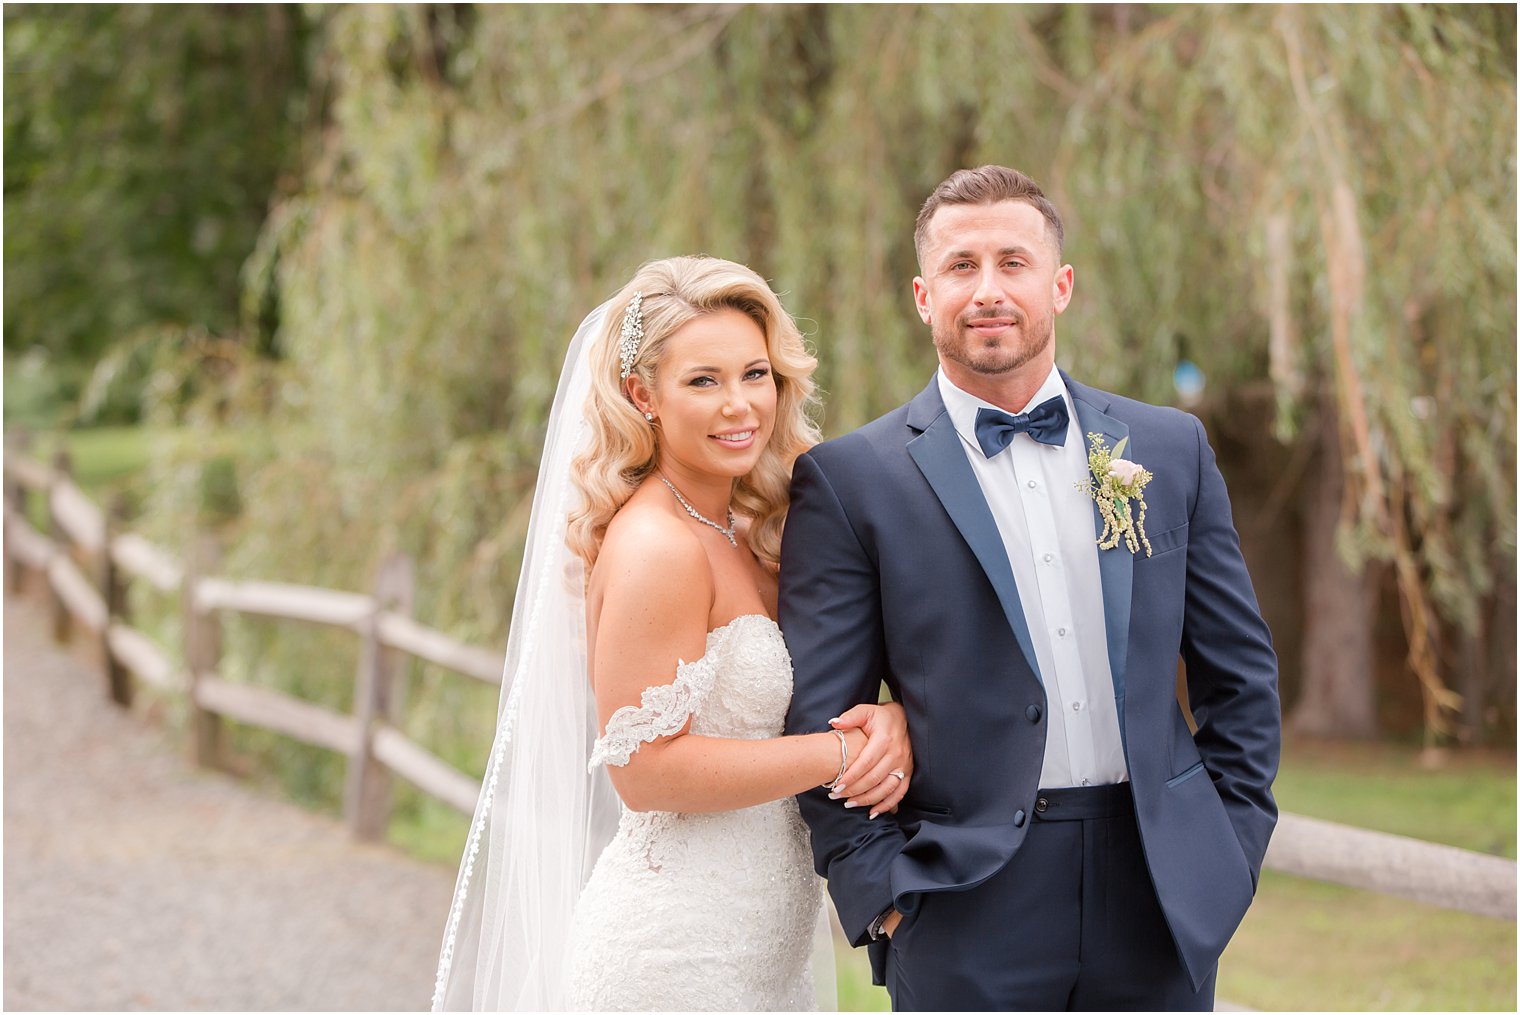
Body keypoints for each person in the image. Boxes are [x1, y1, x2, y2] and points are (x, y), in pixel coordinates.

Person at [780, 166, 1281, 1011]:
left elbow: (1242, 677)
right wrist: (888, 897)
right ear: (922, 294)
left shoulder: (1170, 447)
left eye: (1013, 262)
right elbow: (819, 718)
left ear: (1061, 284)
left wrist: (1224, 853)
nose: (988, 291)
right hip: (962, 900)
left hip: (1158, 884)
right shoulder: (850, 480)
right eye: (960, 266)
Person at [432, 255, 914, 1012]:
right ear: (641, 394)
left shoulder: (751, 526)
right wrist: (844, 752)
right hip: (673, 954)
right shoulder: (658, 545)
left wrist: (884, 716)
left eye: (756, 374)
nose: (740, 405)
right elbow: (645, 769)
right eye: (703, 380)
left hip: (762, 948)